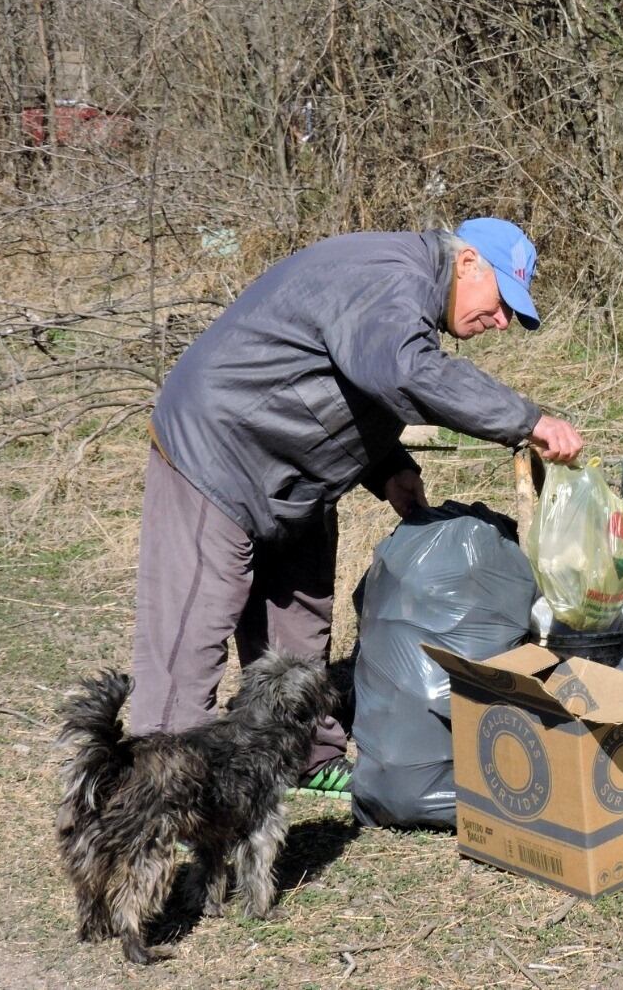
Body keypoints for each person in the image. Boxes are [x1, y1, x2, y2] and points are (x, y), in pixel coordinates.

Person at [130, 217, 583, 797]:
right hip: (217, 452)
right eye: (500, 303)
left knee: (297, 620)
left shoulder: (401, 290)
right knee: (191, 630)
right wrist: (529, 420)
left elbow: (342, 382)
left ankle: (301, 756)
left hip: (291, 468)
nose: (499, 322)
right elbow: (410, 372)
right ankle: (160, 790)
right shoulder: (387, 279)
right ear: (468, 262)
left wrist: (387, 468)